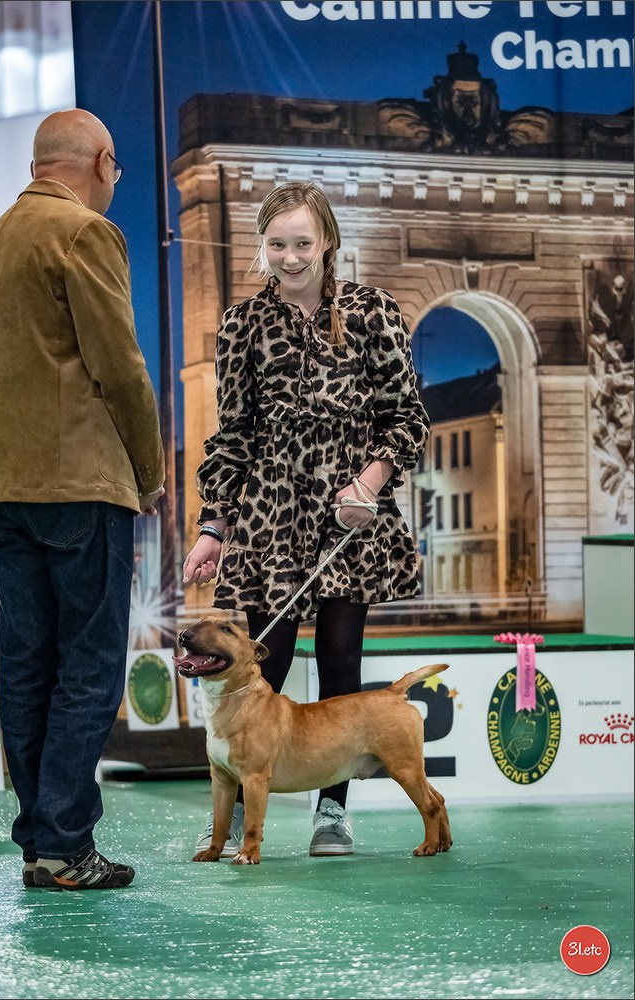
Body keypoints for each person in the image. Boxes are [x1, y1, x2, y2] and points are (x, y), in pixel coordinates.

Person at [182, 181, 429, 857]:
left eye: (302, 243)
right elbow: (231, 436)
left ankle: (333, 810)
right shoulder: (242, 325)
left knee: (340, 661)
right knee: (263, 659)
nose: (291, 257)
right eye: (277, 245)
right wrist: (213, 527)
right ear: (262, 249)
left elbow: (406, 419)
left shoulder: (375, 311)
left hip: (347, 516)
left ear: (327, 243)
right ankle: (233, 806)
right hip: (269, 520)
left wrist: (369, 482)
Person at [0, 109, 165, 890]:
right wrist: (148, 471)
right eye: (117, 171)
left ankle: (40, 845)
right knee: (88, 665)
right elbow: (122, 369)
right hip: (81, 485)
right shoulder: (85, 236)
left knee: (27, 663)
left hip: (5, 486)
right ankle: (68, 844)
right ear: (104, 163)